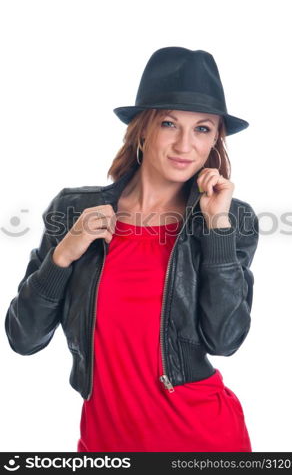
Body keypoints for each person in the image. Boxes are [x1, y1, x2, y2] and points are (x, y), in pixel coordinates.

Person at [5, 46, 259, 452]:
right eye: (169, 124)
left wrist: (216, 229)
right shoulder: (74, 210)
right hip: (105, 444)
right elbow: (23, 337)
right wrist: (63, 255)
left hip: (202, 440)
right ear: (143, 127)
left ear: (215, 140)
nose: (185, 144)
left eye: (203, 129)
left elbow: (225, 339)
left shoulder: (230, 219)